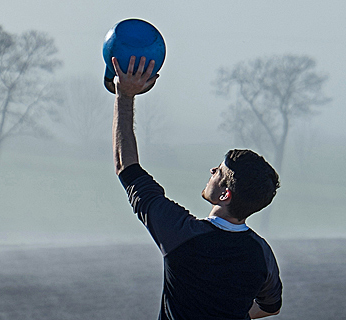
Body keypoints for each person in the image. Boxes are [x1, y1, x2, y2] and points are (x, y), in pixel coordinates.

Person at [111, 56, 282, 320]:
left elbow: (127, 167)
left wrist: (124, 95)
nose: (212, 172)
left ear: (225, 195)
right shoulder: (261, 254)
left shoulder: (181, 233)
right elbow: (271, 307)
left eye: (219, 172)